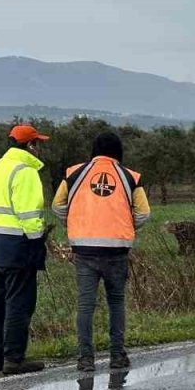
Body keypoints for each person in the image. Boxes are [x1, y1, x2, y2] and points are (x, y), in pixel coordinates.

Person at [52, 131, 150, 372]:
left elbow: (57, 205)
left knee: (86, 306)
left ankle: (86, 359)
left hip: (84, 249)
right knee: (116, 303)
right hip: (117, 250)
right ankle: (117, 356)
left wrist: (74, 222)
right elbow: (144, 212)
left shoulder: (73, 174)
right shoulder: (130, 177)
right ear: (118, 151)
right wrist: (127, 225)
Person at [0, 125, 51, 376]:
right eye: (38, 143)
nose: (40, 148)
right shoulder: (26, 172)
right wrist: (37, 242)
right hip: (19, 245)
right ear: (30, 145)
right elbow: (30, 215)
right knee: (19, 303)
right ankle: (14, 358)